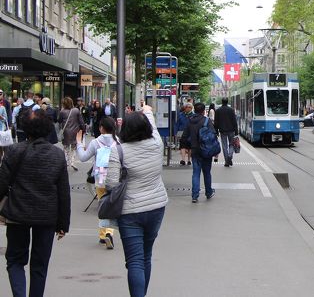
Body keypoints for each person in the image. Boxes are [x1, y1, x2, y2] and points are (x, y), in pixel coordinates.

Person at [0, 109, 70, 297]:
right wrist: (63, 223)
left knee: (15, 260)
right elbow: (63, 192)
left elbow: (2, 183)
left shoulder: (14, 151)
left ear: (24, 128)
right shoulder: (56, 155)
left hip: (17, 213)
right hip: (47, 216)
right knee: (40, 265)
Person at [105, 105, 167, 297]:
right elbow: (154, 128)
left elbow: (111, 184)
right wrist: (147, 110)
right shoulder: (157, 144)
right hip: (156, 207)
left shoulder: (119, 151)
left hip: (130, 211)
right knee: (146, 256)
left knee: (134, 261)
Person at [77, 117, 119, 249]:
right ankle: (109, 232)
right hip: (114, 178)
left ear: (101, 128)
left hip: (100, 178)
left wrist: (79, 143)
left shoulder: (96, 142)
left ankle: (102, 235)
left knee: (102, 205)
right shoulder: (118, 142)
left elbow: (83, 158)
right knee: (112, 207)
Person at [181, 102, 216, 202]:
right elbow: (213, 135)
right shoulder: (207, 121)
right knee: (207, 173)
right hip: (206, 151)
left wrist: (187, 146)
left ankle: (194, 196)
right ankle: (208, 192)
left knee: (196, 173)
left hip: (195, 150)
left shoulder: (190, 121)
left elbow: (184, 136)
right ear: (204, 111)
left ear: (194, 110)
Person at [58, 96, 85, 171]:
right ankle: (73, 162)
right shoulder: (76, 110)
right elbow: (81, 121)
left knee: (66, 147)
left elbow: (59, 121)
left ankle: (66, 162)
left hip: (65, 132)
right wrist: (83, 129)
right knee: (74, 147)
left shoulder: (62, 112)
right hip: (75, 131)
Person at [214, 97, 238, 167]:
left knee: (224, 146)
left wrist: (216, 131)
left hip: (222, 130)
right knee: (231, 144)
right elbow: (234, 121)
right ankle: (230, 156)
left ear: (222, 102)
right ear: (227, 102)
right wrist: (236, 131)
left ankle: (226, 161)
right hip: (231, 130)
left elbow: (216, 122)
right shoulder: (231, 110)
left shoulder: (218, 110)